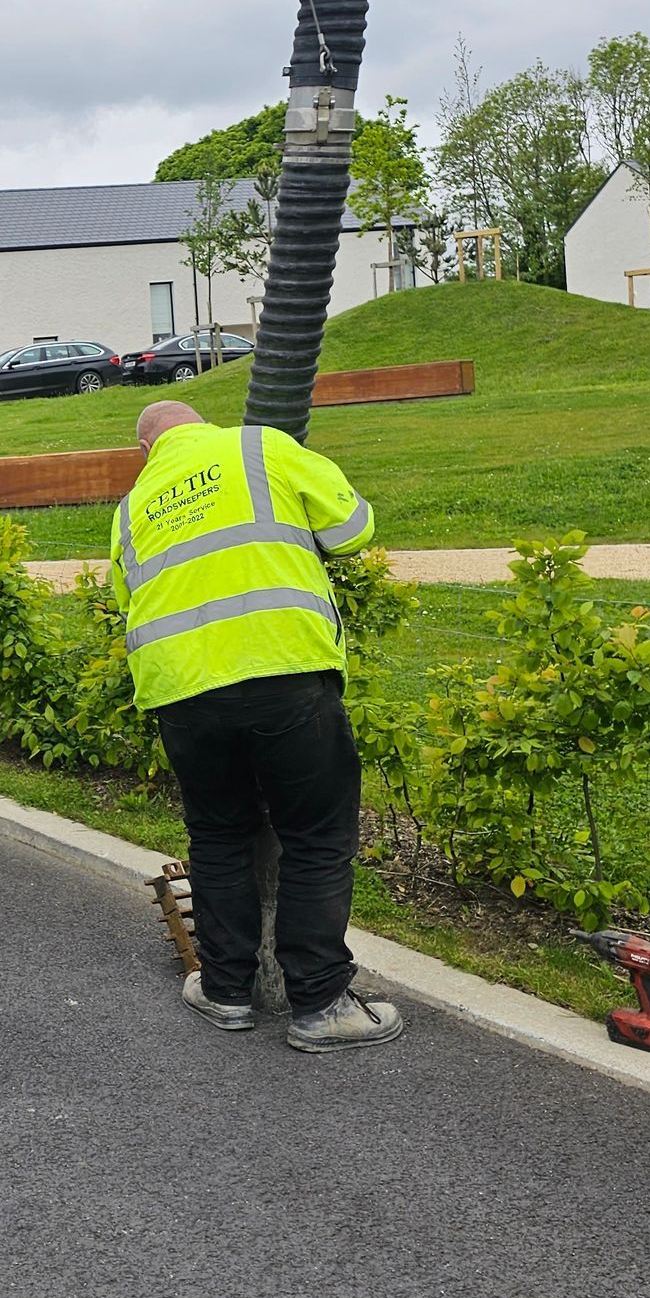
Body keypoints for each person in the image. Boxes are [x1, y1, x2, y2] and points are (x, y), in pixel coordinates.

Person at [106, 398, 404, 1054]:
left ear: (146, 452)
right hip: (282, 672)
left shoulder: (132, 508)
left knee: (217, 837)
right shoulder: (259, 447)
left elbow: (130, 598)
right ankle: (321, 1003)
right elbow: (352, 528)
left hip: (182, 696)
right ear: (201, 426)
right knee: (316, 835)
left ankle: (226, 992)